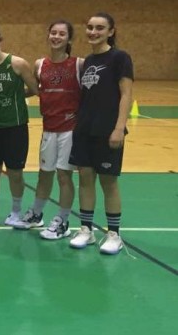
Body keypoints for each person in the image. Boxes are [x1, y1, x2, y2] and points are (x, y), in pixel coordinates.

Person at [69, 13, 133, 255]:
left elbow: (126, 94)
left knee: (108, 181)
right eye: (90, 27)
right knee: (85, 180)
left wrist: (118, 128)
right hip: (84, 129)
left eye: (99, 28)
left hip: (107, 130)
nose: (93, 32)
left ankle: (114, 234)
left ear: (111, 31)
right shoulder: (88, 61)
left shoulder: (119, 58)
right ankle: (86, 229)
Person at [13, 21, 83, 239]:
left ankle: (62, 220)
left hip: (70, 129)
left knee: (64, 176)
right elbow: (33, 90)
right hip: (48, 127)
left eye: (62, 34)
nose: (56, 37)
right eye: (53, 33)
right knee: (45, 174)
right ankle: (36, 214)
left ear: (69, 39)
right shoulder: (39, 64)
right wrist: (9, 92)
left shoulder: (79, 64)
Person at [0, 26, 39, 228]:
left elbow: (35, 89)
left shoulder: (17, 64)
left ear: (0, 40)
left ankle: (15, 212)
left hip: (15, 126)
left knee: (15, 172)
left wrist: (18, 96)